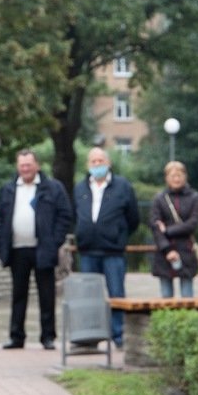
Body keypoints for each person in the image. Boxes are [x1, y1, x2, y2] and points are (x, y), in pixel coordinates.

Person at [0, 149, 73, 350]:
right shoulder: (8, 189)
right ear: (17, 167)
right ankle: (16, 337)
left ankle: (47, 336)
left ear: (36, 165)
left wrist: (54, 241)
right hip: (17, 250)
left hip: (43, 249)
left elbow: (65, 216)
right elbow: (1, 218)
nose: (25, 169)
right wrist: (0, 241)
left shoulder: (52, 188)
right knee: (18, 294)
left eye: (29, 165)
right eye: (22, 165)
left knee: (46, 295)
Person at [73, 147, 139, 348]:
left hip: (113, 251)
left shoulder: (123, 186)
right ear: (88, 165)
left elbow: (133, 218)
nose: (97, 164)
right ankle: (89, 338)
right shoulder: (80, 188)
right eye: (93, 161)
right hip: (87, 251)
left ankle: (118, 337)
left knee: (116, 294)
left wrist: (118, 235)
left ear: (108, 163)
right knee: (89, 298)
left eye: (100, 160)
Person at [150, 161, 198, 298]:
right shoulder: (159, 199)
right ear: (167, 178)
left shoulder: (194, 197)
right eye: (173, 176)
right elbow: (155, 227)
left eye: (179, 175)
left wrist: (167, 230)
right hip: (164, 253)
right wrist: (167, 250)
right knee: (166, 300)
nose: (176, 179)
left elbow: (192, 223)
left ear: (185, 176)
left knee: (187, 299)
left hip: (186, 251)